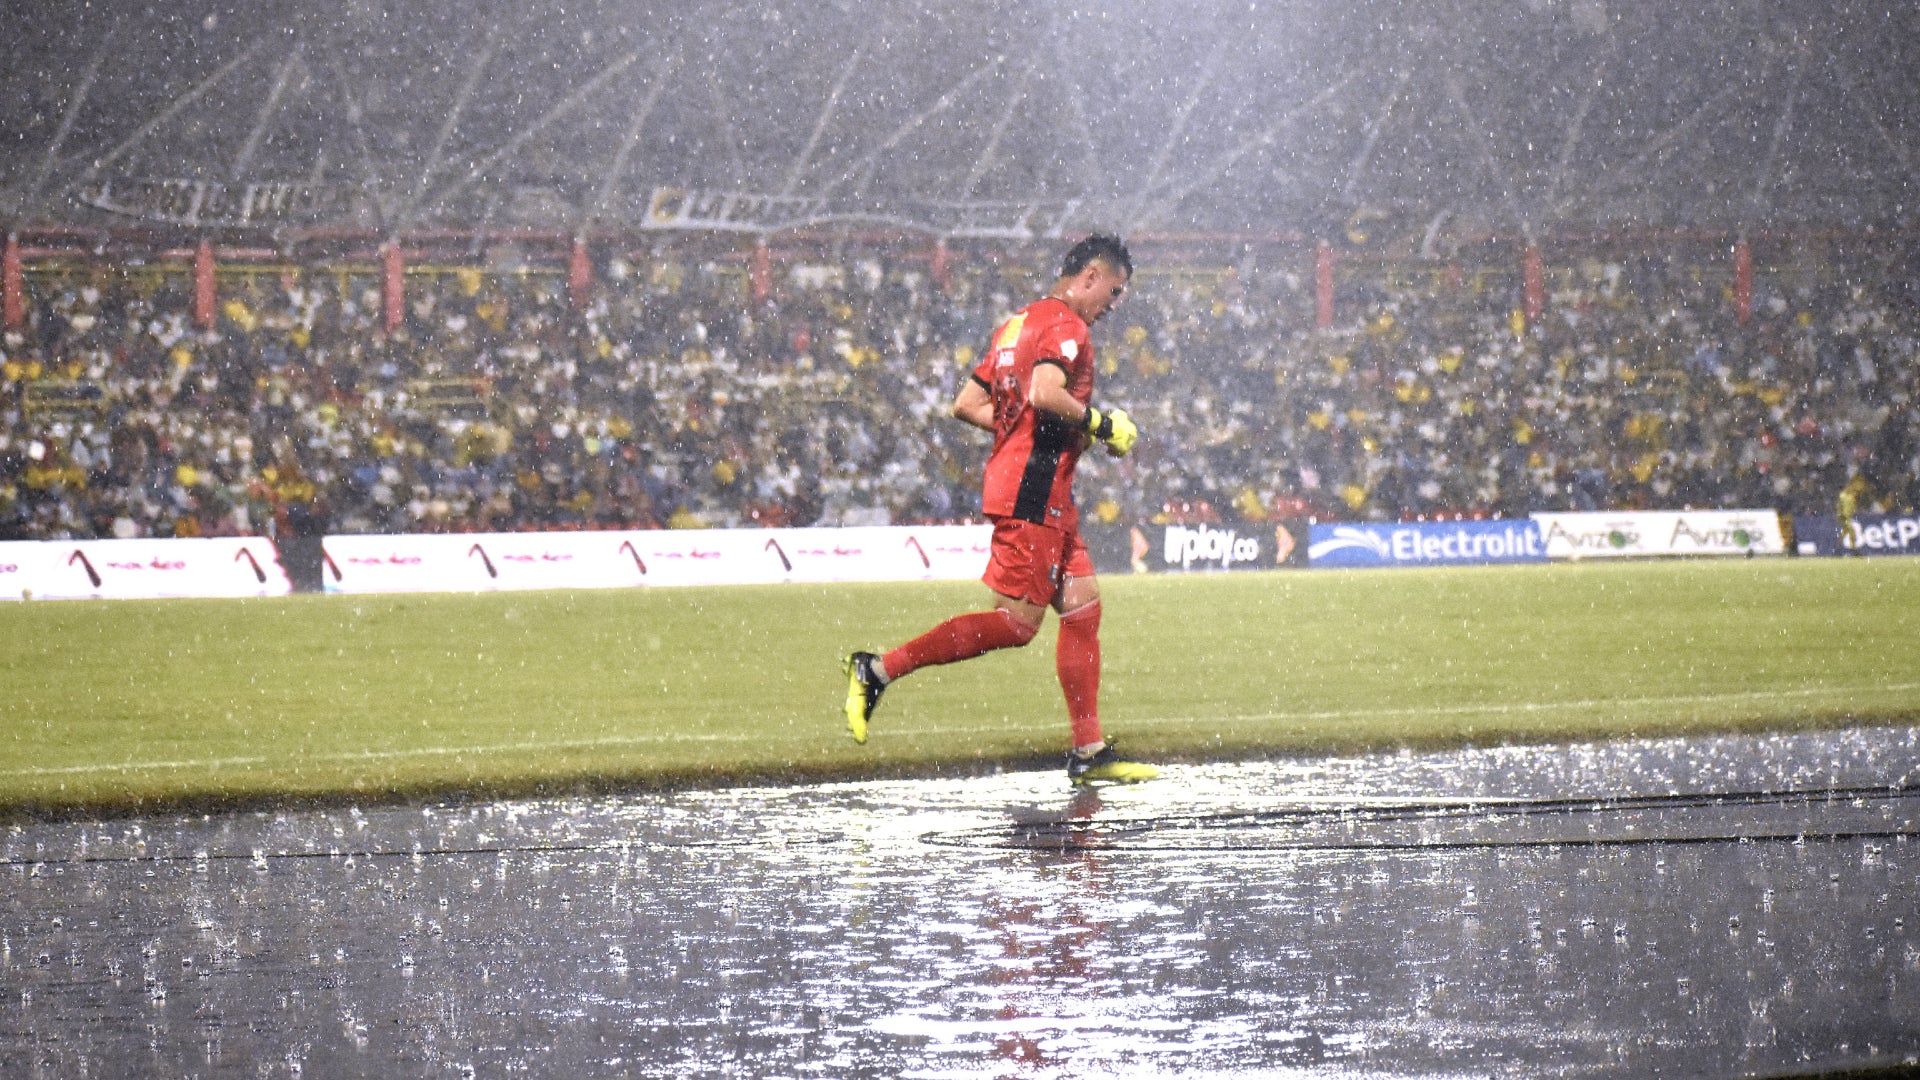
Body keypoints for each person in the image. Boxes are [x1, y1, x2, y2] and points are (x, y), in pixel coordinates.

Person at [842, 234, 1159, 785]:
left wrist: (1030, 433)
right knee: (1015, 624)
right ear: (1090, 277)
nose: (1115, 304)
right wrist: (1103, 424)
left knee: (1082, 607)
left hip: (1039, 487)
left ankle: (1089, 752)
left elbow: (967, 404)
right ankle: (878, 669)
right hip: (1034, 491)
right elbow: (1044, 393)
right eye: (1114, 291)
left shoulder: (1016, 325)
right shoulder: (1067, 326)